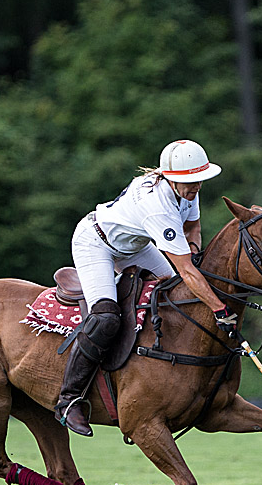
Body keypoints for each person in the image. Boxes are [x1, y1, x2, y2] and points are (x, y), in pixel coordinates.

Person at [55, 140, 239, 436]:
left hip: (135, 246)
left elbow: (193, 228)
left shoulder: (187, 188)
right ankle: (69, 400)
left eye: (199, 180)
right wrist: (219, 308)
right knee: (105, 317)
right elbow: (187, 269)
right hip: (96, 243)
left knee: (178, 293)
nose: (195, 187)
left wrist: (192, 250)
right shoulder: (158, 206)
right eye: (189, 182)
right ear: (171, 177)